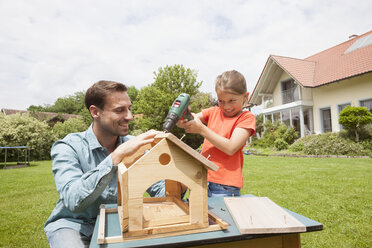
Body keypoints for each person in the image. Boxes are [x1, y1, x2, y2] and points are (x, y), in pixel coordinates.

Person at [44, 80, 163, 248]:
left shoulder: (134, 145)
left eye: (129, 108)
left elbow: (159, 190)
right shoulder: (68, 146)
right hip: (73, 224)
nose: (129, 116)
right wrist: (117, 156)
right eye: (119, 110)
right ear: (95, 112)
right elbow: (73, 199)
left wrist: (180, 178)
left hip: (119, 221)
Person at [178, 70, 256, 197]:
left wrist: (202, 129)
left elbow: (231, 147)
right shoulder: (214, 111)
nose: (226, 106)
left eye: (232, 100)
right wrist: (183, 118)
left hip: (224, 186)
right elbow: (193, 119)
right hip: (202, 177)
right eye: (221, 101)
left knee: (219, 217)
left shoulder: (246, 118)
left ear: (246, 97)